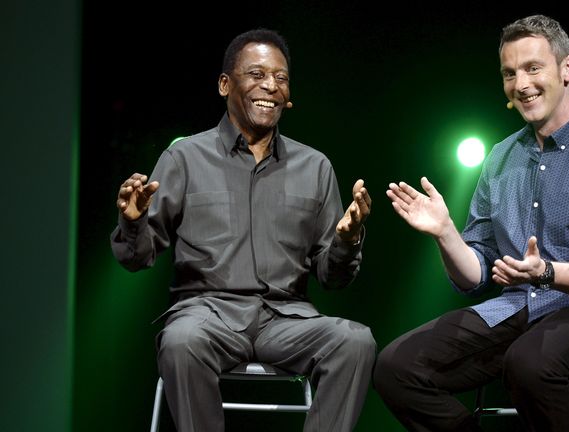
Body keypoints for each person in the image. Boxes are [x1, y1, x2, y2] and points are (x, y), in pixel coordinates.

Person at [373, 14, 569, 432]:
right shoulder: (501, 158)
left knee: (529, 362)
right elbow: (476, 276)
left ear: (567, 68)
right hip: (521, 308)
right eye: (509, 73)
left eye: (532, 68)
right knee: (396, 368)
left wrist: (546, 272)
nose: (520, 84)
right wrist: (446, 235)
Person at [110, 28, 375, 432]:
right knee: (181, 343)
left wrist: (346, 240)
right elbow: (138, 258)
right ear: (225, 84)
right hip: (207, 314)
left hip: (286, 319)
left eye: (281, 77)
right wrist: (132, 223)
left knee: (356, 342)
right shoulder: (184, 157)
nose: (270, 85)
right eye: (256, 74)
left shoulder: (315, 166)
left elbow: (332, 277)